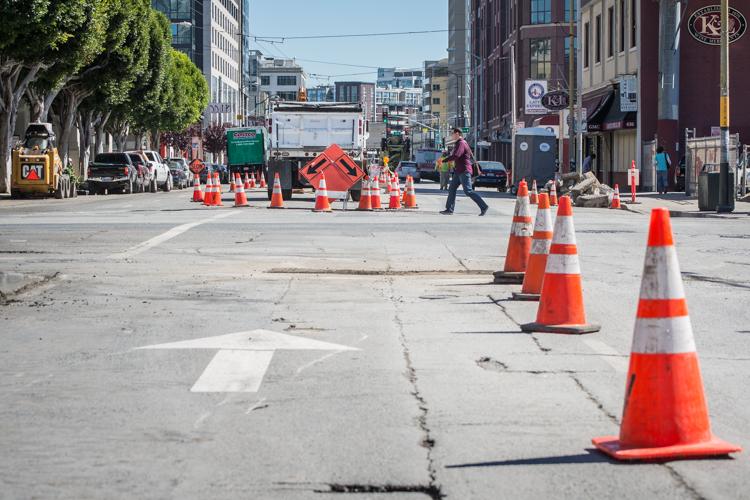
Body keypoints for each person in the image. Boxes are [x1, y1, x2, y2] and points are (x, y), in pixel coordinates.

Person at [436, 128, 489, 216]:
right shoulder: (460, 143)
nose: (451, 135)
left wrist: (444, 160)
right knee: (452, 189)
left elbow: (456, 155)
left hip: (464, 171)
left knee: (468, 191)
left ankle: (483, 206)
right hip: (459, 171)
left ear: (457, 134)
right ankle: (449, 209)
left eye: (452, 133)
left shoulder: (461, 143)